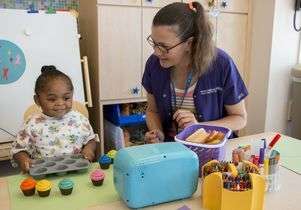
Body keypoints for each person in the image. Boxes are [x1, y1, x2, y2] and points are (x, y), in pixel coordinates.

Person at [142, 2, 248, 143]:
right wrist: (158, 133)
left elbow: (239, 119)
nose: (156, 52)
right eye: (154, 43)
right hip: (172, 151)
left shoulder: (221, 64)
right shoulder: (153, 64)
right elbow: (152, 111)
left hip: (213, 150)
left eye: (164, 47)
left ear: (190, 43)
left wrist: (200, 127)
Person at [11, 65, 97, 172]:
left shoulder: (79, 119)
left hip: (77, 171)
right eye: (52, 99)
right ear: (37, 100)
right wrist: (24, 159)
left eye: (66, 98)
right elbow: (18, 150)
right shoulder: (31, 123)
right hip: (44, 175)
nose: (60, 103)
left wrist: (89, 150)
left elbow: (91, 140)